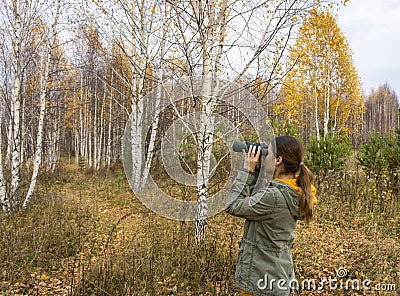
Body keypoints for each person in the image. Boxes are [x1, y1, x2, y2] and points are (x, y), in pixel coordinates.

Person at [226, 135, 317, 296]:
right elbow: (258, 203)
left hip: (261, 280)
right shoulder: (292, 190)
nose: (263, 155)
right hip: (275, 275)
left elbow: (233, 205)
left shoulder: (274, 197)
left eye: (267, 153)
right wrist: (260, 170)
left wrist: (248, 170)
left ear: (278, 160)